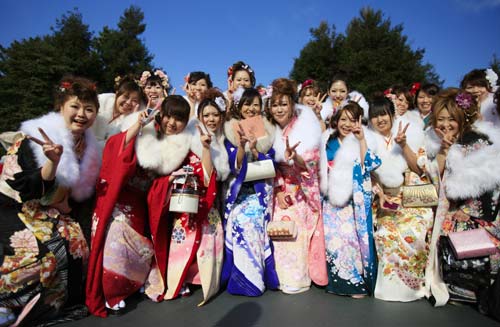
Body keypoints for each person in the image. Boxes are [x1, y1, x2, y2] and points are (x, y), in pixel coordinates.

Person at [0, 76, 101, 325]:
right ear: (61, 107)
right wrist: (53, 162)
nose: (81, 114)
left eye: (89, 109)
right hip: (14, 205)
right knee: (41, 253)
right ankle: (8, 303)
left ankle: (54, 303)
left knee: (78, 244)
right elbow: (27, 187)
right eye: (75, 107)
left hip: (50, 211)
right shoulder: (36, 137)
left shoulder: (88, 147)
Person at [86, 95, 192, 317]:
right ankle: (111, 292)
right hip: (122, 197)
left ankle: (130, 285)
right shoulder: (145, 132)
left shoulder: (183, 146)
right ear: (161, 115)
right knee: (115, 231)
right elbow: (116, 150)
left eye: (179, 119)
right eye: (169, 116)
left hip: (149, 202)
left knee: (145, 240)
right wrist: (137, 126)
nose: (172, 122)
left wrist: (170, 180)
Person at [143, 94, 228, 305]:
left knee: (207, 235)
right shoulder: (166, 140)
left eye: (215, 115)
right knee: (181, 240)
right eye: (205, 115)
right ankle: (178, 280)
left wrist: (206, 148)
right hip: (178, 204)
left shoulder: (206, 141)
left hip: (200, 203)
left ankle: (199, 279)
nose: (172, 123)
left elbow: (209, 176)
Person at [425, 88, 500, 307]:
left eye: (451, 119)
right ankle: (457, 285)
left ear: (461, 118)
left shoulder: (479, 143)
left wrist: (469, 212)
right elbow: (432, 180)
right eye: (441, 120)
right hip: (445, 207)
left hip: (476, 212)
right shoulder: (432, 142)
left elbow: (490, 187)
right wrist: (442, 152)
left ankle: (473, 287)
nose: (446, 125)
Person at [368, 94, 434, 302]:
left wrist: (404, 145)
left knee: (413, 230)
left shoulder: (411, 132)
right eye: (375, 116)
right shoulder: (367, 139)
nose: (380, 120)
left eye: (384, 114)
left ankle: (412, 286)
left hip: (410, 199)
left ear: (392, 114)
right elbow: (368, 173)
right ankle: (390, 288)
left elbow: (419, 169)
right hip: (385, 200)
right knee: (386, 233)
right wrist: (380, 195)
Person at [268, 78, 328, 294]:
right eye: (275, 104)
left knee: (294, 226)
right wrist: (278, 190)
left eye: (283, 104)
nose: (279, 109)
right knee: (278, 225)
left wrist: (296, 158)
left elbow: (311, 165)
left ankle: (297, 278)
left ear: (292, 104)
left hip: (302, 190)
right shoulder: (271, 130)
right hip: (281, 189)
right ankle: (278, 277)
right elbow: (270, 166)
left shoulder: (306, 127)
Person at [221, 87, 279, 296]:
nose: (252, 108)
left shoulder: (269, 131)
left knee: (250, 220)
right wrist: (241, 148)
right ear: (239, 106)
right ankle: (239, 277)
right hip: (237, 193)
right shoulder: (229, 130)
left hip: (260, 191)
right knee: (236, 220)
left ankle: (254, 279)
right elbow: (233, 167)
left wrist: (255, 150)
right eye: (247, 104)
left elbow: (271, 165)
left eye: (256, 104)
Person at [319, 102, 381, 298]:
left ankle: (356, 281)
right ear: (336, 121)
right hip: (330, 200)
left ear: (359, 122)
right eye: (343, 119)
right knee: (334, 240)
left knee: (352, 240)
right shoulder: (326, 140)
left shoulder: (362, 138)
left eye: (353, 120)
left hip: (354, 200)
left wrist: (362, 140)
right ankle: (343, 283)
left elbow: (369, 164)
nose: (347, 124)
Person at [92, 74, 143, 146]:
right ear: (117, 94)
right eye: (126, 96)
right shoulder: (101, 102)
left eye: (134, 100)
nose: (128, 102)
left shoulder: (131, 121)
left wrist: (132, 119)